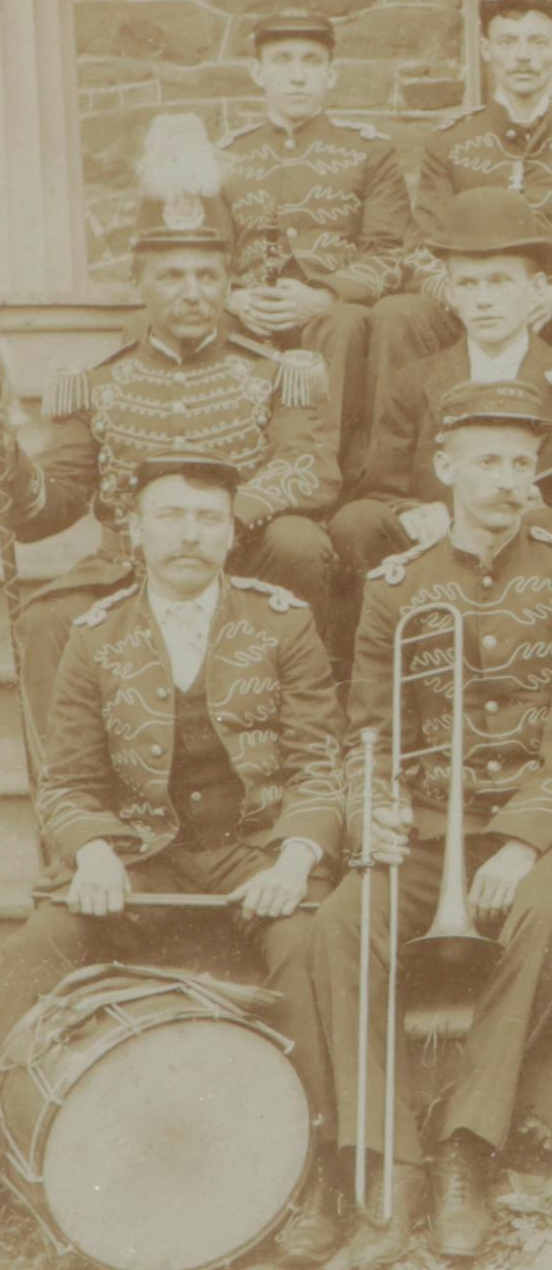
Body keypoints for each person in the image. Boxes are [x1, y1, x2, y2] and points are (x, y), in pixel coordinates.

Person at [0, 450, 349, 1265]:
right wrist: (90, 850)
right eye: (171, 516)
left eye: (207, 519)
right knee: (29, 954)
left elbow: (318, 766)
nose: (189, 534)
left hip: (255, 850)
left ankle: (314, 1180)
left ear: (231, 535)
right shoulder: (92, 636)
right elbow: (69, 782)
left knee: (306, 949)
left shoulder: (283, 621)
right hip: (139, 855)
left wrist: (294, 861)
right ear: (136, 530)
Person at [309, 379, 552, 1266]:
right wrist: (376, 814)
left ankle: (464, 1153)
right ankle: (391, 1161)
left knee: (544, 914)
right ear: (444, 468)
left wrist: (524, 837)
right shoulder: (396, 587)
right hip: (429, 825)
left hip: (546, 826)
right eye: (488, 462)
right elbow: (368, 726)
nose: (509, 481)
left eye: (524, 464)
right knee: (342, 924)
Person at [0, 224, 339, 743]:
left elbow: (305, 467)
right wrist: (11, 460)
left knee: (300, 542)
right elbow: (51, 508)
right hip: (126, 568)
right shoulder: (95, 385)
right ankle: (68, 810)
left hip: (238, 561)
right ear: (139, 284)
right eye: (171, 276)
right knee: (46, 621)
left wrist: (227, 521)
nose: (192, 292)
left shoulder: (273, 376)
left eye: (208, 276)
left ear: (228, 285)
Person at [331, 188, 552, 583]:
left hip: (531, 555)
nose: (483, 300)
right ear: (449, 293)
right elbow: (381, 489)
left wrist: (537, 505)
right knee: (357, 521)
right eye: (467, 284)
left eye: (499, 282)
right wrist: (411, 510)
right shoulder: (414, 381)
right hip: (436, 552)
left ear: (535, 288)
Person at [373, 0, 552, 386]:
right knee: (397, 312)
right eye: (508, 42)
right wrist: (462, 298)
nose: (524, 56)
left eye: (538, 42)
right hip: (467, 304)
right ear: (486, 50)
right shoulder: (449, 140)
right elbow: (421, 252)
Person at [218, 9, 410, 478]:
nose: (298, 75)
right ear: (257, 72)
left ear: (331, 74)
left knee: (340, 324)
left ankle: (320, 474)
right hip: (249, 306)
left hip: (331, 309)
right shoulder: (224, 155)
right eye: (282, 61)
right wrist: (235, 297)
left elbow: (390, 252)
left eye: (312, 61)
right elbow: (207, 249)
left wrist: (324, 295)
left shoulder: (371, 151)